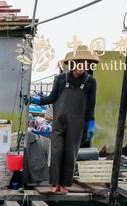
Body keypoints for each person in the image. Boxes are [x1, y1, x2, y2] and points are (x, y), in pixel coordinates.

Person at [27, 45, 98, 194]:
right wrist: (35, 100)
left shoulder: (91, 82)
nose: (82, 66)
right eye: (79, 62)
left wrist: (90, 126)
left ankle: (64, 184)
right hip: (59, 122)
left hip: (77, 123)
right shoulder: (60, 79)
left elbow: (91, 106)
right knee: (57, 150)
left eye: (85, 63)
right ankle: (54, 183)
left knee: (70, 152)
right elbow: (51, 98)